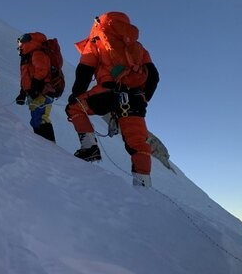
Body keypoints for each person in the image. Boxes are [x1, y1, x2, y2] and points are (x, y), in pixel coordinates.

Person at [65, 12, 159, 187]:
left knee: (74, 108)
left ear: (99, 23)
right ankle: (144, 188)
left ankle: (89, 148)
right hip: (136, 98)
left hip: (108, 92)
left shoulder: (96, 39)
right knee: (137, 142)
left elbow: (84, 70)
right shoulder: (136, 45)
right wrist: (143, 99)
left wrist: (76, 95)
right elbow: (153, 76)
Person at [15, 32, 64, 143]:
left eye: (20, 42)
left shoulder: (37, 53)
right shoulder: (27, 57)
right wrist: (22, 93)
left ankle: (49, 147)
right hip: (35, 93)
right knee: (36, 119)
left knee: (41, 118)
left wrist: (35, 88)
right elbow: (25, 78)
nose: (18, 45)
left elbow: (42, 70)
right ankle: (43, 145)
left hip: (43, 91)